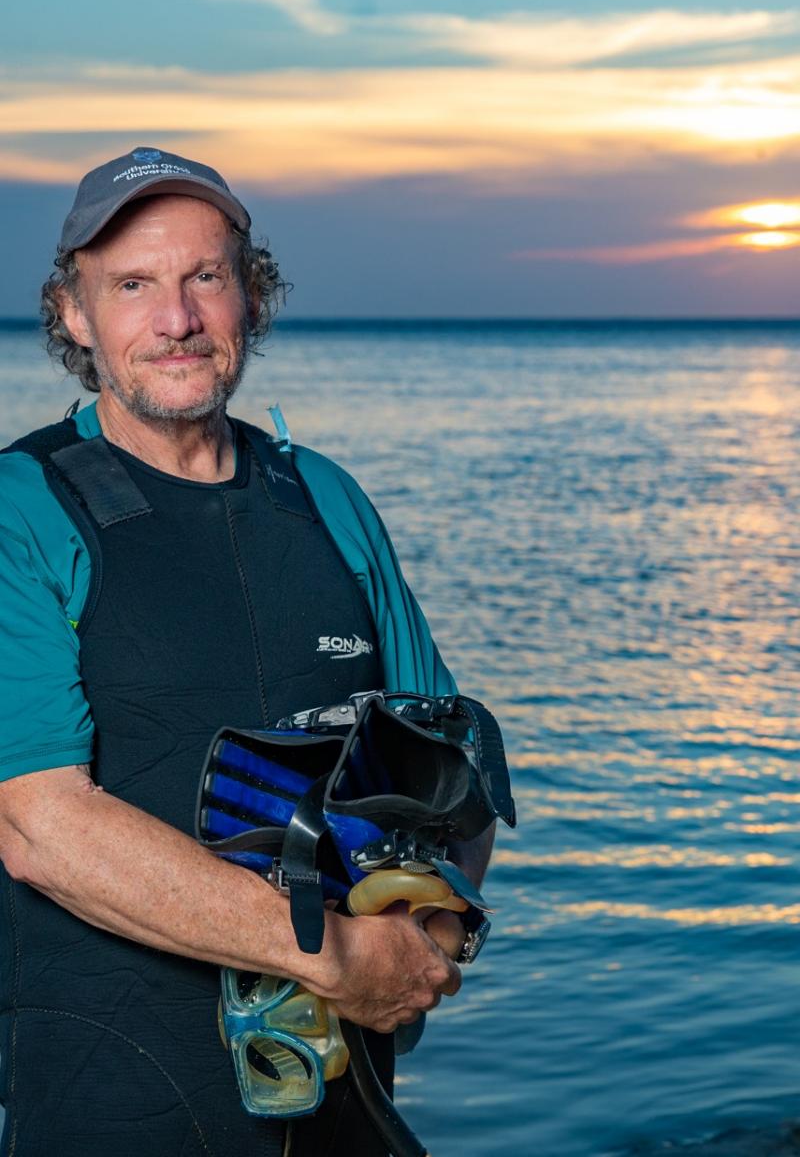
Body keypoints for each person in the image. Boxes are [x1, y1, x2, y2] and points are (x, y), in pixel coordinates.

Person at [0, 148, 494, 1157]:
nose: (175, 319)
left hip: (343, 1104)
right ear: (73, 314)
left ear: (249, 297)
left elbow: (451, 765)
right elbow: (39, 825)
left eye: (205, 278)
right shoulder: (21, 512)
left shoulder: (323, 496)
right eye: (132, 285)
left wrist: (428, 945)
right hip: (112, 1105)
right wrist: (333, 952)